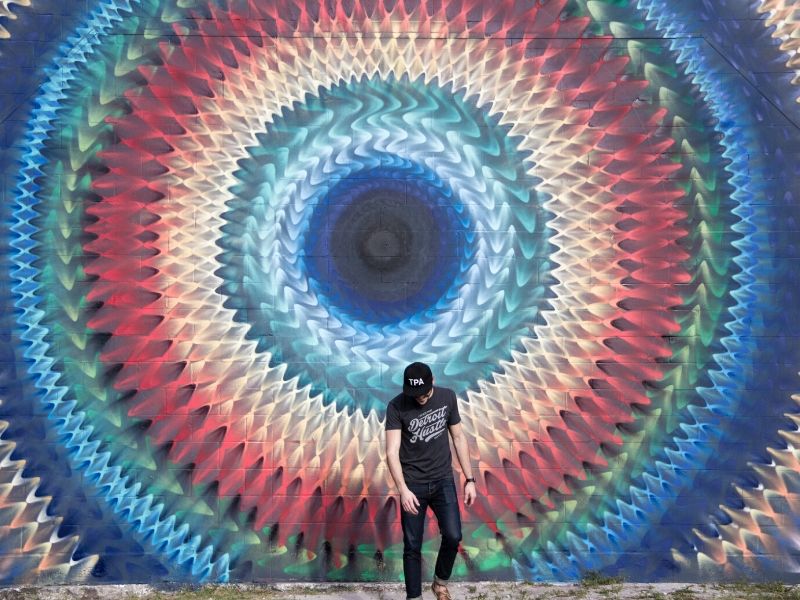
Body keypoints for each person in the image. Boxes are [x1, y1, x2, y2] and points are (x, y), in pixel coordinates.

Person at [385, 361, 477, 600]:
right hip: (413, 485)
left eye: (425, 393)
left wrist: (470, 479)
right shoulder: (396, 406)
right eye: (416, 395)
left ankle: (439, 583)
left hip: (442, 480)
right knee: (412, 545)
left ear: (432, 381)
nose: (421, 399)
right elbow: (391, 451)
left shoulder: (447, 398)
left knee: (453, 535)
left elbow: (458, 438)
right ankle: (414, 597)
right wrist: (403, 490)